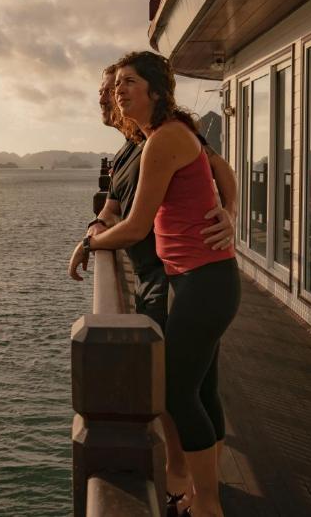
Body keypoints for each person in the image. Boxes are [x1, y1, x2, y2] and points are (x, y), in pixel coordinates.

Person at [68, 51, 241, 517]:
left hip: (206, 281)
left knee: (175, 392)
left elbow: (139, 225)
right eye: (115, 84)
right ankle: (204, 496)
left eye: (128, 83)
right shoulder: (155, 136)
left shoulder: (165, 139)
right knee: (200, 390)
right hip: (195, 279)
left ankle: (206, 502)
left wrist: (89, 245)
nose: (117, 91)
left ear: (156, 91)